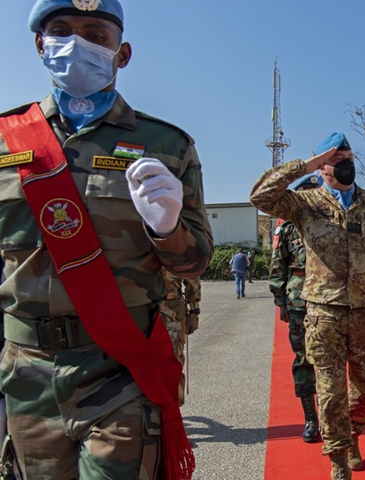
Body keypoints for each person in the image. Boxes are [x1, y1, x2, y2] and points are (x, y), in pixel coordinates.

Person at [0, 1, 213, 478]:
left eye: (96, 35)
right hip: (25, 368)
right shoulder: (6, 141)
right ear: (40, 44)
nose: (78, 44)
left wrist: (168, 230)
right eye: (61, 30)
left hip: (120, 364)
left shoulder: (167, 145)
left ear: (123, 53)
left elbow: (194, 264)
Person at [250, 132, 365, 480]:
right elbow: (260, 195)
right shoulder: (306, 203)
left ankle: (353, 435)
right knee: (331, 390)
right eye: (336, 159)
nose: (345, 163)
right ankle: (338, 460)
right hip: (324, 314)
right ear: (322, 165)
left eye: (347, 156)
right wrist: (306, 165)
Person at [268, 172, 321, 443]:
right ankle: (310, 417)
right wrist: (280, 301)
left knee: (329, 359)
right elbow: (278, 265)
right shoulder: (287, 227)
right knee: (303, 359)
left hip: (328, 299)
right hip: (299, 300)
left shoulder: (331, 222)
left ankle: (331, 411)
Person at [161, 269, 202, 407]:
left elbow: (192, 278)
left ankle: (174, 411)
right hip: (139, 312)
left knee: (173, 360)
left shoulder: (172, 248)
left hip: (172, 313)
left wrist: (194, 311)